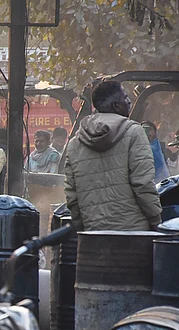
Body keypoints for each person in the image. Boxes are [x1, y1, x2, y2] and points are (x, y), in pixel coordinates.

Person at [63, 80, 162, 231]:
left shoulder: (75, 143)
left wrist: (81, 226)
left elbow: (72, 194)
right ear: (116, 105)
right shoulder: (134, 133)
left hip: (93, 234)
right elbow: (142, 184)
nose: (129, 101)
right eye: (126, 97)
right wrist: (156, 220)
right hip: (133, 233)